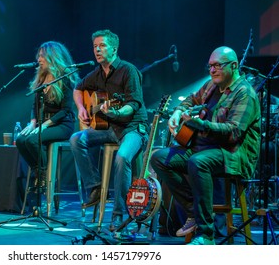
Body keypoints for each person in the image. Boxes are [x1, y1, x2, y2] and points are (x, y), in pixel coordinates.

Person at [149, 46, 261, 245]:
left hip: (233, 154)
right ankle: (194, 211)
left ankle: (206, 235)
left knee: (198, 162)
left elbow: (234, 133)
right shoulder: (210, 86)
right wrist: (177, 112)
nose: (212, 70)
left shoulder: (245, 93)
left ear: (234, 65)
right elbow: (190, 100)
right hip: (204, 149)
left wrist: (201, 125)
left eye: (218, 65)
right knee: (159, 158)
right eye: (210, 66)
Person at [69, 29, 149, 231]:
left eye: (102, 45)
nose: (97, 49)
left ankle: (119, 214)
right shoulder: (96, 74)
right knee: (77, 139)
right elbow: (78, 88)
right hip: (109, 128)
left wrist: (117, 112)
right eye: (95, 46)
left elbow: (134, 104)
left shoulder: (128, 70)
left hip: (133, 128)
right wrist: (81, 109)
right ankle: (94, 187)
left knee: (122, 157)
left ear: (114, 48)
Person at [16, 41, 79, 190]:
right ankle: (39, 171)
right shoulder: (41, 78)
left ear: (53, 57)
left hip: (62, 124)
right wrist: (32, 122)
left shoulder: (65, 78)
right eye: (39, 56)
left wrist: (43, 126)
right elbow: (35, 106)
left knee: (32, 140)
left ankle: (44, 176)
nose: (39, 59)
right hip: (42, 123)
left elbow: (65, 110)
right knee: (20, 139)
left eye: (42, 56)